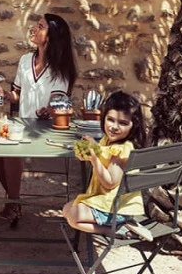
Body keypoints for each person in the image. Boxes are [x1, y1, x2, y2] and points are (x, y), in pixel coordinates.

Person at [0, 13, 77, 226]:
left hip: (46, 129)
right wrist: (4, 95)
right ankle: (14, 201)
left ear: (51, 36)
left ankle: (12, 204)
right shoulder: (25, 60)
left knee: (11, 152)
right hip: (23, 126)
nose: (34, 28)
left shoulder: (61, 68)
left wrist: (49, 110)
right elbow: (17, 94)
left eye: (41, 26)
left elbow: (58, 102)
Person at [62, 91, 150, 239]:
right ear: (104, 118)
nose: (114, 127)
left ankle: (112, 230)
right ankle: (116, 226)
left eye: (123, 123)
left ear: (133, 126)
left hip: (116, 208)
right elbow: (104, 155)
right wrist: (93, 147)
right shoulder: (108, 140)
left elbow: (110, 182)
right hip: (106, 201)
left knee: (73, 217)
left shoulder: (122, 150)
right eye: (110, 120)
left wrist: (94, 159)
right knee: (66, 209)